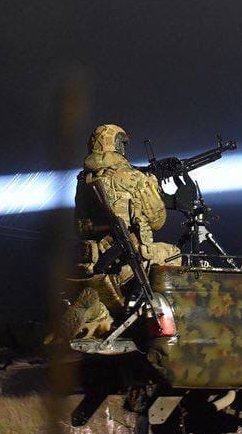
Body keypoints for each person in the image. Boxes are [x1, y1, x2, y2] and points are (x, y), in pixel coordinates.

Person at [62, 124, 180, 341]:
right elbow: (157, 221)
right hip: (127, 258)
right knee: (174, 254)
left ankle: (97, 310)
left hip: (95, 257)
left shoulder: (83, 180)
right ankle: (151, 316)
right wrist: (153, 187)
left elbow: (80, 225)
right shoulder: (132, 177)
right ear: (116, 145)